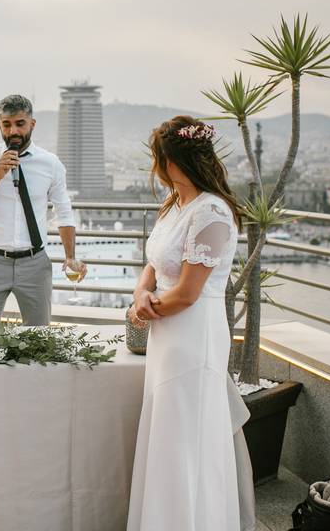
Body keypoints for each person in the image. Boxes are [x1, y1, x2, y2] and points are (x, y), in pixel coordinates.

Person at [125, 115, 255, 531]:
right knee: (167, 432)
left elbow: (187, 293)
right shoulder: (175, 204)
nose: (155, 167)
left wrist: (147, 308)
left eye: (158, 158)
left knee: (187, 436)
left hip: (193, 334)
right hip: (167, 332)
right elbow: (153, 263)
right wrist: (140, 294)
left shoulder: (212, 213)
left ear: (173, 160)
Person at [0, 94, 86, 326]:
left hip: (34, 263)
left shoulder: (51, 164)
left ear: (32, 124)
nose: (13, 132)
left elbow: (64, 213)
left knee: (39, 339)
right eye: (6, 125)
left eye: (20, 124)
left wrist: (70, 257)